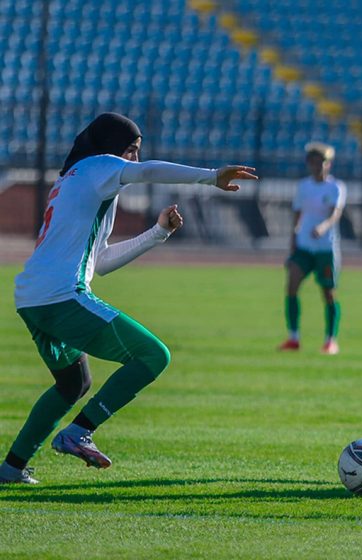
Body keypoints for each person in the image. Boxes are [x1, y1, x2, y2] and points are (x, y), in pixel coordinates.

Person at [0, 113, 257, 484]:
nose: (132, 160)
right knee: (154, 355)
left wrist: (157, 234)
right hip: (59, 294)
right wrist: (211, 176)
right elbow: (147, 171)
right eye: (130, 150)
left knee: (72, 384)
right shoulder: (98, 166)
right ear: (112, 148)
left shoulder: (76, 179)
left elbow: (100, 262)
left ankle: (11, 468)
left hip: (32, 297)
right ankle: (77, 433)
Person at [278, 142, 347, 355]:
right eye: (315, 162)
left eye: (322, 162)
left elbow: (335, 213)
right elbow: (297, 214)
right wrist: (293, 241)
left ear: (329, 164)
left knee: (328, 293)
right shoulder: (304, 186)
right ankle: (293, 337)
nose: (318, 166)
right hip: (304, 247)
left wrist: (323, 226)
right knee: (291, 287)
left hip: (325, 248)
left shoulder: (336, 187)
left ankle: (330, 340)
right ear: (309, 163)